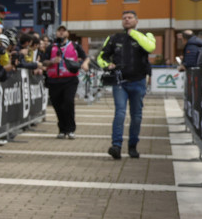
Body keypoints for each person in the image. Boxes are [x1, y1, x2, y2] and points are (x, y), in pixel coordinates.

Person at [97, 10, 156, 159]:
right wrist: (107, 65)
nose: (127, 20)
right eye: (124, 18)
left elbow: (150, 47)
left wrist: (133, 33)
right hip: (120, 82)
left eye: (130, 18)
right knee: (120, 113)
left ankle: (132, 146)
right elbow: (101, 57)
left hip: (139, 82)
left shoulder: (146, 35)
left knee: (136, 116)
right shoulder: (113, 38)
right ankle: (116, 146)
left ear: (137, 20)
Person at [41, 25, 89, 139]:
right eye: (59, 31)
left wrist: (85, 63)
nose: (61, 33)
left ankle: (71, 129)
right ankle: (62, 129)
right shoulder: (50, 47)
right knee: (57, 106)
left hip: (70, 80)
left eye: (64, 31)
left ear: (67, 33)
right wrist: (52, 61)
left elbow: (85, 57)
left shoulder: (74, 45)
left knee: (68, 102)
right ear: (56, 33)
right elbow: (43, 61)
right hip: (53, 80)